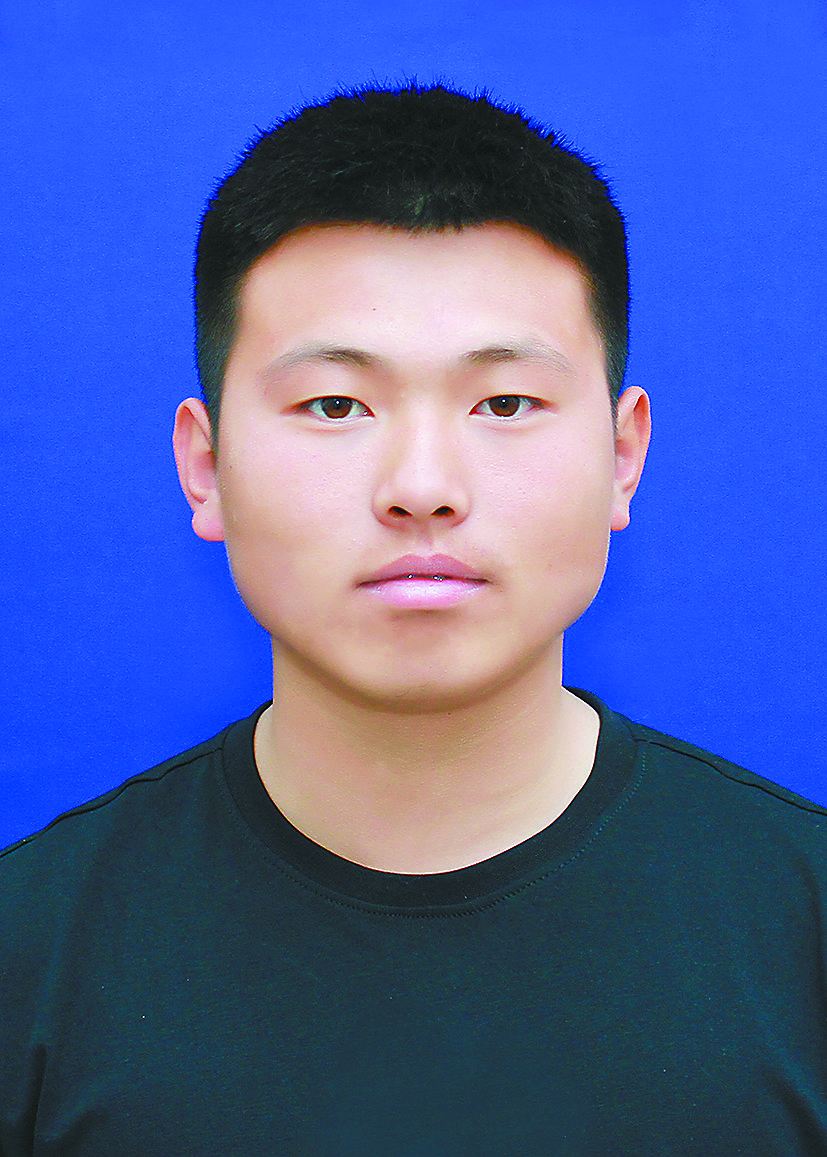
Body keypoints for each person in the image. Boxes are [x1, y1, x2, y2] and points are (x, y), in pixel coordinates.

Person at [2, 83, 826, 1156]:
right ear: (205, 466)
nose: (423, 487)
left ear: (622, 456)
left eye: (504, 403)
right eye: (335, 405)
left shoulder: (801, 927)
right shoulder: (29, 950)